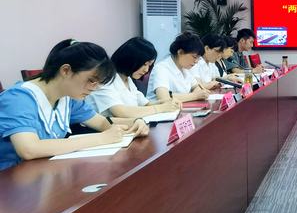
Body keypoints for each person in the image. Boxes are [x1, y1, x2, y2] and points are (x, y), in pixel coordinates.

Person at [0, 40, 149, 170]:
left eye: (98, 83)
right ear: (66, 70)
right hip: (10, 179)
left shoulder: (68, 98)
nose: (94, 88)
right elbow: (29, 149)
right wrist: (101, 138)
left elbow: (101, 122)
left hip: (44, 172)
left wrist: (135, 123)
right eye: (91, 80)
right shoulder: (18, 98)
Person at [86, 37, 181, 118]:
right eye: (145, 64)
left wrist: (167, 102)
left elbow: (146, 104)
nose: (146, 70)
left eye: (149, 65)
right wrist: (160, 108)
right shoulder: (105, 78)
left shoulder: (127, 78)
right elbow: (121, 112)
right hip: (101, 130)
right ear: (131, 59)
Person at [146, 32, 211, 103]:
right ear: (180, 52)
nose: (196, 61)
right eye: (194, 57)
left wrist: (197, 94)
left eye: (198, 58)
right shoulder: (161, 68)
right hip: (160, 109)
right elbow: (164, 98)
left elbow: (197, 86)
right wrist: (195, 96)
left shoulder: (185, 68)